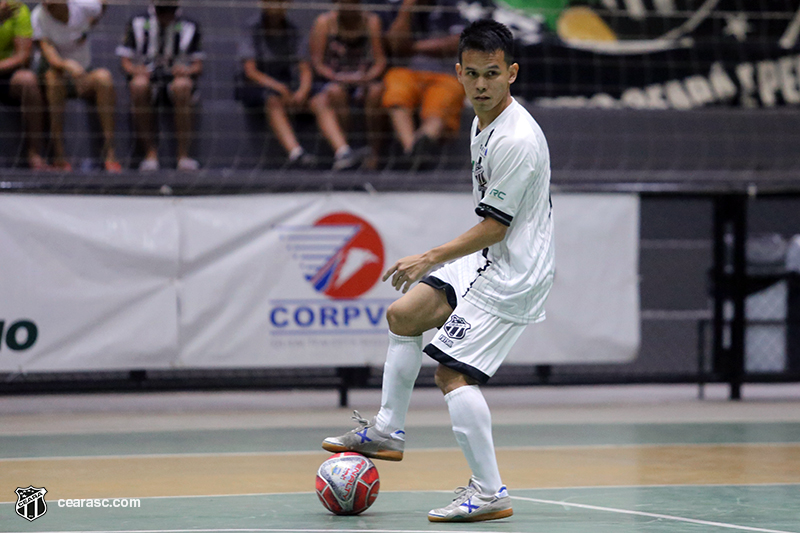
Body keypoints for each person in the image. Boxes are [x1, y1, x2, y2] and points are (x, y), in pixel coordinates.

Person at [322, 19, 554, 522]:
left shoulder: (516, 140)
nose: (481, 85)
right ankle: (388, 429)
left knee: (451, 373)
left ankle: (490, 492)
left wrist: (429, 256)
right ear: (459, 73)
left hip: (515, 270)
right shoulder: (480, 120)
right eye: (472, 74)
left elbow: (495, 228)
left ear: (512, 73)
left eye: (493, 74)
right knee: (404, 316)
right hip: (492, 256)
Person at [32, 0, 120, 172]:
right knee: (53, 80)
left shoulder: (85, 6)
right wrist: (68, 66)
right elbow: (50, 56)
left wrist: (88, 26)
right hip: (58, 77)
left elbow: (102, 6)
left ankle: (111, 155)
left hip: (84, 76)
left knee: (104, 78)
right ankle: (59, 157)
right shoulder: (37, 17)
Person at [117, 0, 203, 171]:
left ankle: (183, 156)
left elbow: (198, 64)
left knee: (182, 86)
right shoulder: (137, 21)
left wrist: (186, 70)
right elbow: (124, 61)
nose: (165, 17)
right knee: (138, 86)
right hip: (148, 77)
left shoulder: (190, 24)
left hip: (176, 78)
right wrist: (137, 70)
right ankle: (150, 154)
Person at [382, 0, 467, 170]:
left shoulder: (449, 6)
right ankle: (413, 147)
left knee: (442, 101)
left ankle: (422, 140)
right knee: (396, 91)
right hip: (407, 72)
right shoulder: (397, 7)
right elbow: (396, 45)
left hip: (445, 75)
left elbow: (457, 43)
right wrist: (407, 8)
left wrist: (412, 47)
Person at [236, 0, 316, 169]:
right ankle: (296, 153)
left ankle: (343, 153)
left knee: (322, 98)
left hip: (285, 84)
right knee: (272, 99)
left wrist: (302, 91)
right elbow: (250, 72)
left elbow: (305, 68)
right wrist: (279, 87)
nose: (276, 6)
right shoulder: (251, 27)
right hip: (255, 85)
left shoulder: (293, 30)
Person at [308, 0, 386, 170]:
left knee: (378, 91)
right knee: (334, 93)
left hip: (364, 81)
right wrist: (337, 77)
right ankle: (346, 153)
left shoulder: (371, 21)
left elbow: (380, 62)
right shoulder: (324, 22)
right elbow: (317, 63)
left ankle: (373, 156)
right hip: (334, 81)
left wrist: (365, 77)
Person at [0, 0, 48, 169]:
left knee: (28, 80)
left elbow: (23, 56)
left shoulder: (16, 9)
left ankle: (34, 154)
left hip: (5, 74)